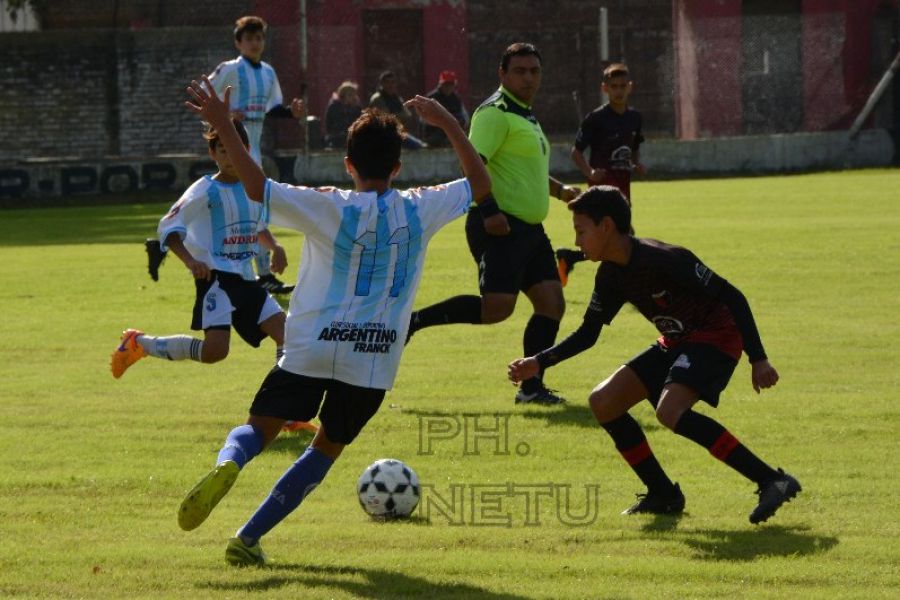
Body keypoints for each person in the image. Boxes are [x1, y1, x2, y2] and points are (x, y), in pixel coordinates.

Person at [176, 74, 492, 566]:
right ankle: (248, 537)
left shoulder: (329, 204)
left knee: (259, 430)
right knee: (324, 449)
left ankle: (229, 463)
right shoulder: (421, 207)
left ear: (348, 165)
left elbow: (258, 187)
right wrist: (450, 122)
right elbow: (480, 183)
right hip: (374, 359)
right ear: (398, 165)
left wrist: (224, 125)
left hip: (309, 346)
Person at [508, 186, 801, 524]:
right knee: (604, 401)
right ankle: (663, 494)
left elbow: (732, 296)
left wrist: (758, 358)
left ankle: (771, 480)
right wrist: (538, 362)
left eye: (580, 231)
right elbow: (588, 334)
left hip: (716, 335)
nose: (576, 242)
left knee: (669, 411)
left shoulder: (664, 258)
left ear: (606, 227)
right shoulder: (610, 275)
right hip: (677, 340)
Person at [406, 43, 580, 406]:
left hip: (530, 229)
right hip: (498, 224)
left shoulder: (527, 115)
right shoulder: (494, 113)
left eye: (534, 70)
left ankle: (531, 389)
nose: (528, 77)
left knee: (552, 304)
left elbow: (525, 170)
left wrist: (561, 192)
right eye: (520, 71)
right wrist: (489, 210)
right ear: (502, 74)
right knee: (498, 309)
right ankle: (415, 321)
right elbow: (472, 165)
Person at [112, 120, 288, 380]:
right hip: (216, 280)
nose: (229, 156)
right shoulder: (204, 190)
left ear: (247, 150)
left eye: (235, 149)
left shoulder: (252, 189)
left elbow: (256, 226)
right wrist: (190, 261)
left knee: (287, 337)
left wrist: (275, 246)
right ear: (212, 153)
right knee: (215, 352)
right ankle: (140, 343)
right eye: (222, 150)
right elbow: (170, 228)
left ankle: (285, 411)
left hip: (248, 279)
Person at [144, 15, 303, 294]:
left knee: (243, 206)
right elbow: (201, 100)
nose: (255, 43)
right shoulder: (229, 69)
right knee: (252, 205)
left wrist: (292, 112)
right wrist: (227, 115)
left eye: (259, 38)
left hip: (253, 147)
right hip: (233, 144)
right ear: (238, 42)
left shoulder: (268, 72)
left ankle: (163, 244)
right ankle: (263, 274)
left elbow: (273, 109)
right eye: (249, 38)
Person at [556, 63, 646, 286]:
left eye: (623, 86)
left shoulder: (635, 117)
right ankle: (632, 286)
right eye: (614, 86)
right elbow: (576, 153)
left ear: (630, 87)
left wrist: (636, 164)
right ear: (605, 88)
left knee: (612, 242)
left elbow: (633, 145)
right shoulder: (596, 119)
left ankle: (570, 257)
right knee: (625, 237)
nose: (619, 91)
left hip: (623, 187)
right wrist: (590, 172)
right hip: (604, 188)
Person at [368, 70, 427, 149]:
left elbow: (408, 115)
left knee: (422, 146)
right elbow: (387, 118)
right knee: (417, 146)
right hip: (382, 134)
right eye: (387, 82)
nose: (390, 85)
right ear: (382, 83)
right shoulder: (377, 99)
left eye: (393, 82)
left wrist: (396, 116)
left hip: (396, 132)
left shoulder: (396, 98)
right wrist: (398, 116)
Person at [423, 70, 469, 147]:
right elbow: (424, 120)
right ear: (440, 85)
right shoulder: (431, 98)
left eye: (451, 85)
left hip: (453, 132)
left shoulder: (456, 99)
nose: (448, 87)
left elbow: (465, 118)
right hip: (434, 133)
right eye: (445, 84)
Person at [324, 80, 362, 149]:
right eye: (350, 94)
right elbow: (331, 125)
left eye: (354, 94)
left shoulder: (357, 108)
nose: (353, 97)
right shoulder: (334, 107)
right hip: (336, 139)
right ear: (343, 95)